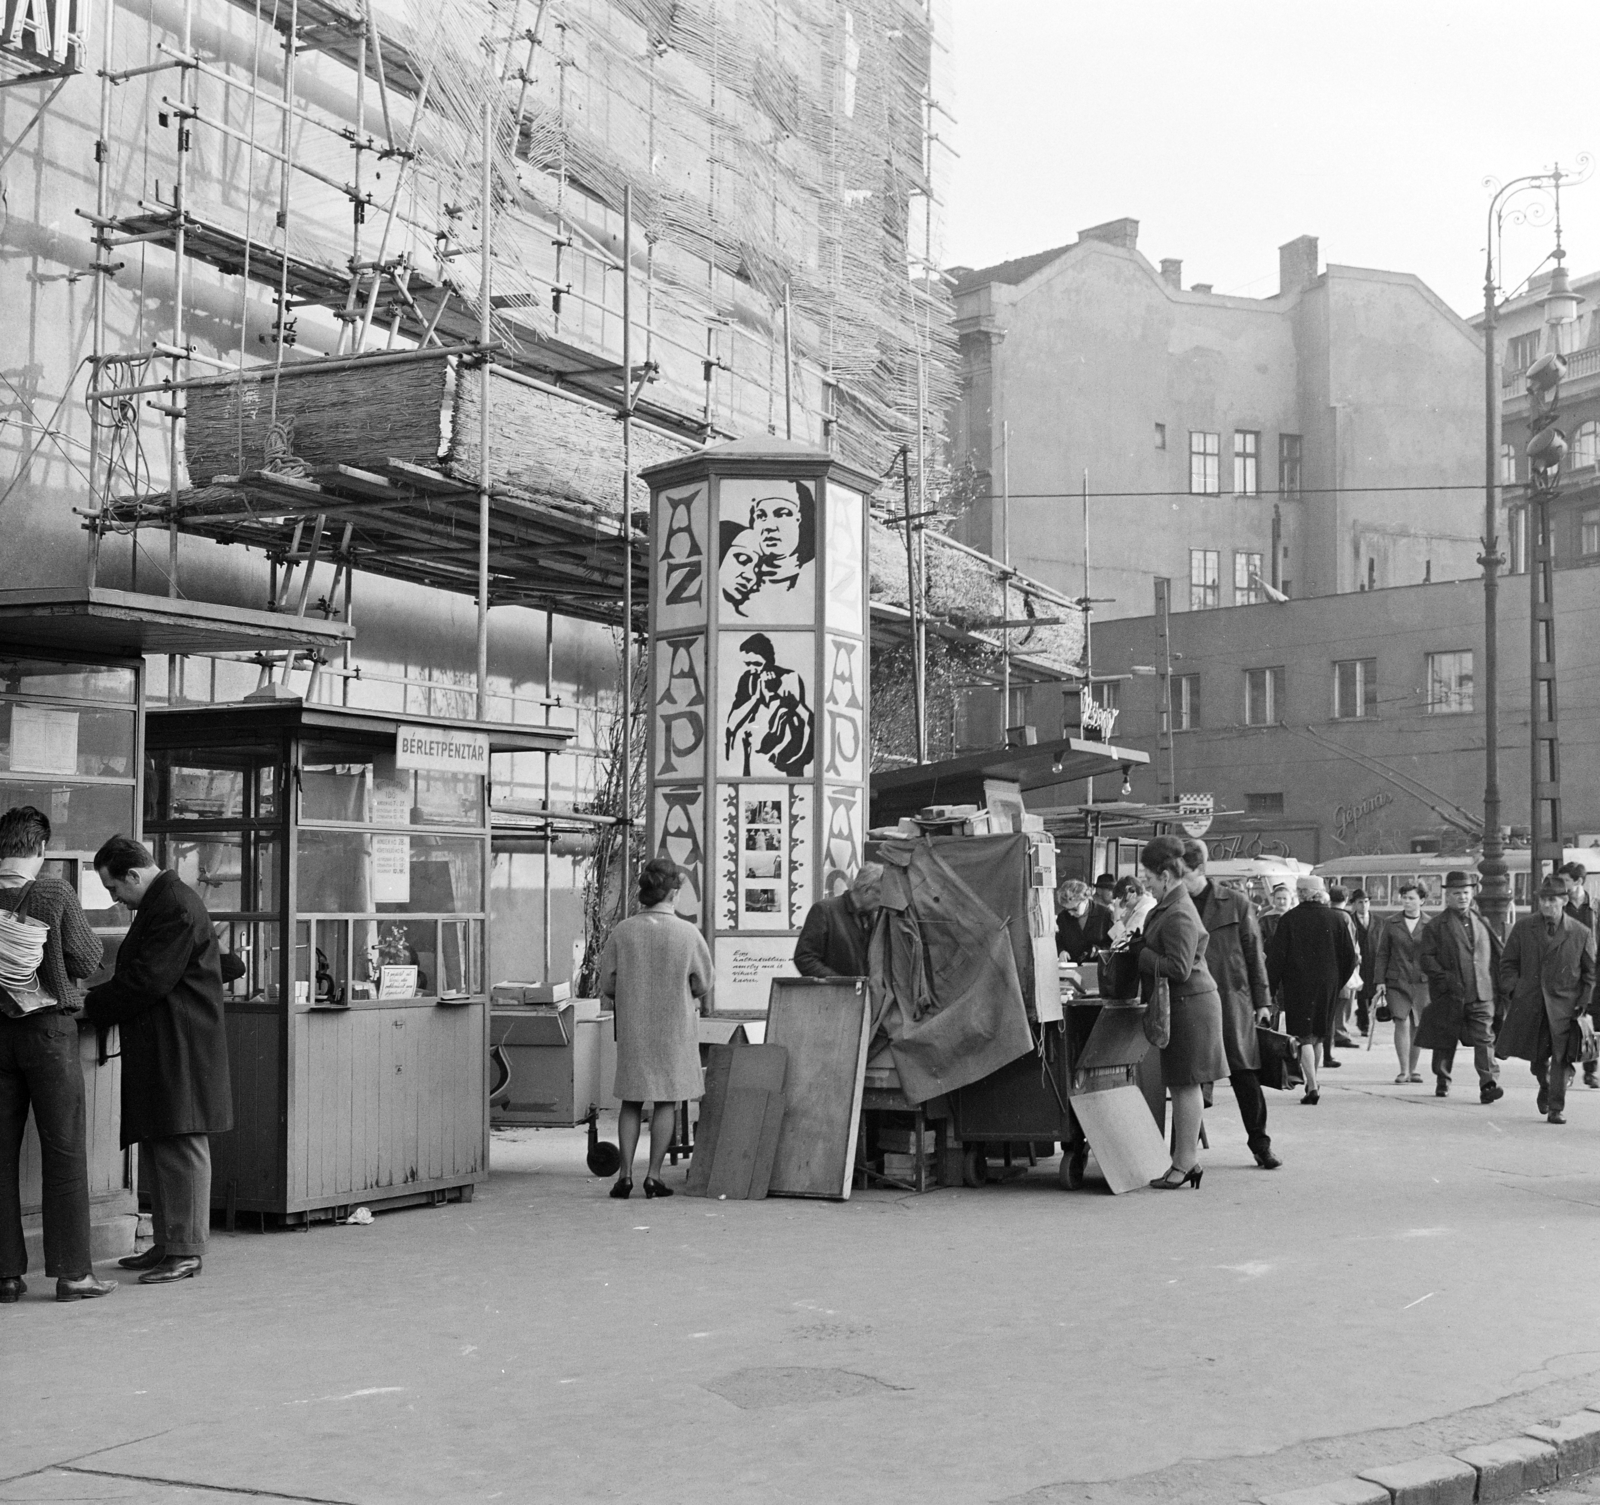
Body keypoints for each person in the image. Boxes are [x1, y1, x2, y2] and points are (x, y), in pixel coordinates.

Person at [84, 837, 231, 1285]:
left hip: (180, 1044)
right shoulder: (167, 901)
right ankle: (169, 1243)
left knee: (180, 1141)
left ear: (133, 875)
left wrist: (90, 1005)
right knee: (162, 1140)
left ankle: (185, 1250)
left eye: (114, 889)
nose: (115, 900)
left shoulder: (172, 905)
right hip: (170, 1040)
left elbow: (148, 978)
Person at [0, 806, 113, 1303]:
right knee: (64, 1150)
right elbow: (89, 958)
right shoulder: (53, 890)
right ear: (41, 848)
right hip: (48, 1033)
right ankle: (72, 1274)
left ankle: (5, 1275)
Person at [597, 858, 713, 1200]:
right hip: (673, 1027)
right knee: (667, 1099)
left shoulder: (623, 931)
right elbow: (702, 982)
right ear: (674, 893)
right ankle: (654, 1176)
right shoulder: (687, 933)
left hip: (634, 1027)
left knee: (631, 1100)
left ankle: (624, 1175)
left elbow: (608, 983)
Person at [1180, 840, 1279, 1169]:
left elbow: (1254, 953)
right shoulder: (1173, 905)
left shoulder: (1235, 903)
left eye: (1184, 875)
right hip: (1192, 999)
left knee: (1245, 1075)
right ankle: (1183, 1154)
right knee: (1192, 1078)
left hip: (1232, 999)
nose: (1179, 882)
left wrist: (1263, 1000)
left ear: (1199, 870)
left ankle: (1260, 1144)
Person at [1137, 837, 1227, 1190]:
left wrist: (1142, 955)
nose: (1145, 882)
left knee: (1187, 1084)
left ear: (1165, 874)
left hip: (1190, 1005)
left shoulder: (1178, 912)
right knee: (1181, 1082)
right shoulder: (1170, 905)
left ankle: (1186, 1162)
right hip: (1185, 1005)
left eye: (1148, 876)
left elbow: (1178, 968)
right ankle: (1184, 1161)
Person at [1495, 876, 1597, 1124]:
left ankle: (1556, 1108)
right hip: (1531, 1002)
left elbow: (1590, 972)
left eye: (1552, 899)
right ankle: (1545, 1082)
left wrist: (1583, 1002)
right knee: (1538, 1057)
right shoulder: (1523, 928)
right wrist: (1514, 990)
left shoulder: (1580, 933)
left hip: (1565, 1006)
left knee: (1561, 1057)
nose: (1546, 904)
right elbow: (1507, 963)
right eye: (1543, 899)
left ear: (1564, 901)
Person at [1265, 874, 1356, 1105]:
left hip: (1298, 984)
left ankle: (1312, 1085)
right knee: (1317, 1035)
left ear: (1301, 893)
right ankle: (1311, 1081)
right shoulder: (1337, 919)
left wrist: (1270, 989)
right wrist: (1338, 981)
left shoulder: (1289, 920)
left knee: (1303, 1035)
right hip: (1328, 984)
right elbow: (1350, 958)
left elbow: (1276, 959)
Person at [1416, 870, 1503, 1104]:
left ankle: (1488, 1083)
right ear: (1448, 896)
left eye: (1465, 892)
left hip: (1481, 994)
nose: (1462, 897)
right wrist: (1444, 979)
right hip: (1451, 994)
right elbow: (1426, 958)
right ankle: (1443, 1079)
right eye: (1457, 893)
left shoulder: (1482, 922)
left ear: (1472, 893)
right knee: (1446, 1038)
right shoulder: (1436, 926)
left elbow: (1495, 955)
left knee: (1485, 1038)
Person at [724, 632, 814, 777]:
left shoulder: (788, 678)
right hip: (754, 755)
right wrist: (755, 698)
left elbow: (800, 723)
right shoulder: (747, 680)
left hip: (782, 757)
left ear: (770, 661)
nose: (753, 669)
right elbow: (732, 723)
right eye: (748, 664)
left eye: (757, 664)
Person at [1373, 882, 1430, 1084]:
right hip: (1396, 980)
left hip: (1422, 982)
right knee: (1401, 1021)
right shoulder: (1391, 923)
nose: (1406, 901)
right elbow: (1382, 953)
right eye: (1404, 897)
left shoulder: (1429, 924)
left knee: (1417, 1025)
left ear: (1422, 900)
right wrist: (1379, 981)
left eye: (1411, 898)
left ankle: (1413, 1070)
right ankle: (1403, 1070)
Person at [794, 863, 883, 978]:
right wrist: (840, 984)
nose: (884, 903)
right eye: (882, 895)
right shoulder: (824, 910)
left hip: (859, 993)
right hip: (830, 994)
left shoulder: (872, 918)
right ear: (866, 891)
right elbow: (804, 958)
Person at [1558, 864, 1598, 1088]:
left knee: (1589, 1023)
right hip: (1568, 972)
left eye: (1565, 880)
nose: (1561, 885)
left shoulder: (1594, 907)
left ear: (1578, 882)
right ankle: (1567, 1070)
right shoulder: (1560, 906)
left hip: (1592, 973)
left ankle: (1591, 1070)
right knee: (1565, 1022)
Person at [1326, 886, 1361, 1058]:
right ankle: (1340, 1033)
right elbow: (1350, 944)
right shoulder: (1345, 917)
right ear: (1346, 899)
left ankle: (1334, 1034)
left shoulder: (1325, 915)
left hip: (1329, 966)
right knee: (1343, 1002)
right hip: (1343, 968)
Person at [1258, 883, 1295, 1029]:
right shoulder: (1265, 920)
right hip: (1271, 965)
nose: (1281, 902)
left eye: (1285, 899)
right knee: (1273, 999)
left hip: (1291, 966)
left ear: (1291, 899)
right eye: (1279, 899)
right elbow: (1257, 942)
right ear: (1273, 900)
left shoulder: (1296, 918)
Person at [1056, 879, 1114, 962]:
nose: (1071, 913)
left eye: (1074, 909)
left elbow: (1113, 944)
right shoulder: (1063, 917)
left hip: (1097, 966)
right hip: (1072, 967)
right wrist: (1061, 951)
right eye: (1067, 909)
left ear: (1085, 899)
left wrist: (1100, 950)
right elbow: (1058, 940)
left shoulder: (1105, 914)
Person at [1349, 889, 1377, 1037]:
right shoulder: (1349, 920)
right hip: (1358, 964)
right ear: (1354, 904)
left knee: (1371, 995)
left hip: (1374, 963)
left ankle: (1362, 1014)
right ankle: (1364, 1024)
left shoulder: (1378, 921)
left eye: (1366, 902)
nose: (1364, 905)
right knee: (1361, 995)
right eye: (1360, 902)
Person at [1109, 874, 1155, 946]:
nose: (1124, 906)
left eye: (1124, 901)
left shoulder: (1143, 912)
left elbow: (1124, 944)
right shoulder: (1137, 909)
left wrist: (1117, 918)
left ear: (1131, 893)